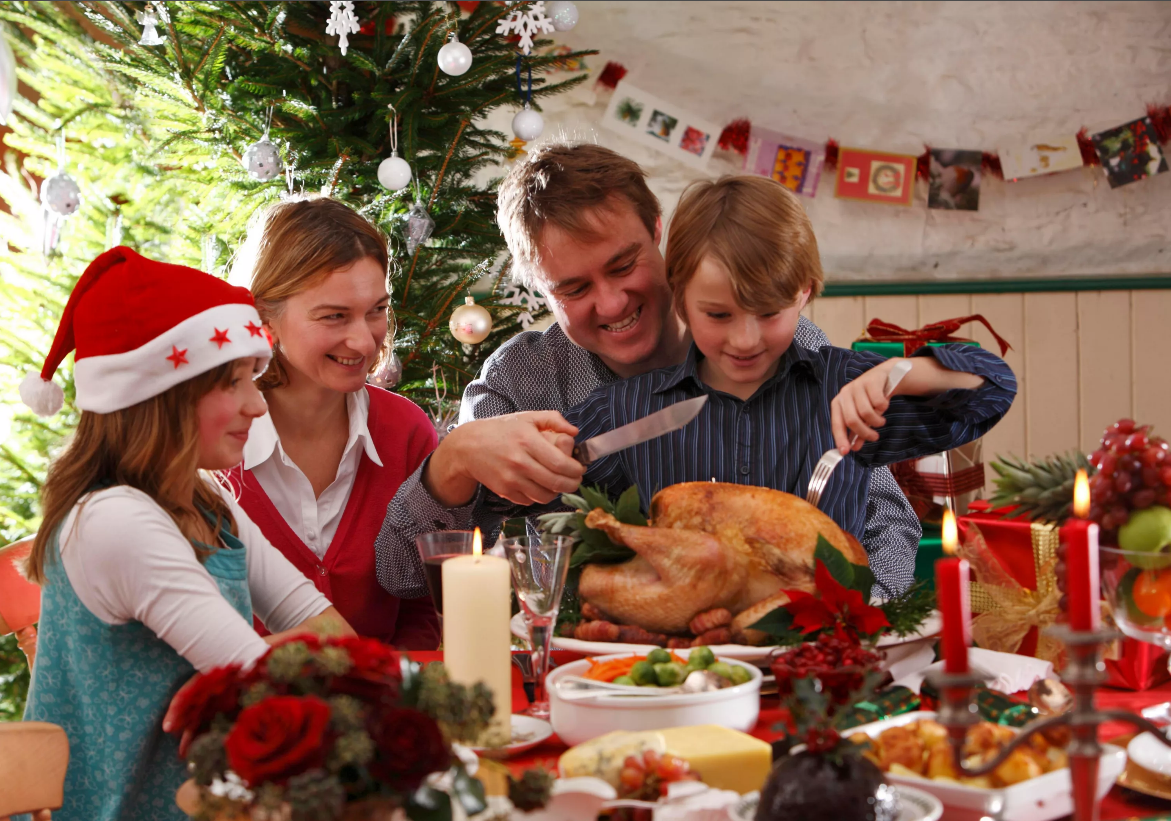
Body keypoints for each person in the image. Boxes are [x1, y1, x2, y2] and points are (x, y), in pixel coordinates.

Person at [376, 143, 923, 599]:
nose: (612, 304)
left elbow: (890, 530)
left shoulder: (782, 350)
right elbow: (400, 576)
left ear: (657, 230)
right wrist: (452, 463)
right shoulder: (519, 383)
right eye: (574, 288)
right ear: (539, 289)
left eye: (623, 265)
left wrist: (837, 613)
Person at [473, 175, 1017, 535]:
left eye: (770, 313)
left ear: (804, 291)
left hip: (824, 656)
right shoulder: (621, 411)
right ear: (678, 292)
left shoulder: (843, 390)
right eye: (718, 316)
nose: (745, 340)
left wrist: (901, 372)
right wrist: (494, 458)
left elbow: (993, 389)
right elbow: (520, 509)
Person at [18, 247, 354, 821]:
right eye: (232, 383)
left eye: (253, 379)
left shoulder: (205, 497)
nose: (256, 404)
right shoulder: (115, 521)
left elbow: (335, 635)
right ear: (159, 397)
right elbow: (262, 691)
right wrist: (287, 658)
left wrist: (279, 659)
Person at [226, 197, 440, 650]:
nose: (365, 342)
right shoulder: (212, 445)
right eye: (334, 316)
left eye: (377, 310)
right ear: (266, 318)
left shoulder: (405, 432)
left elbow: (424, 608)